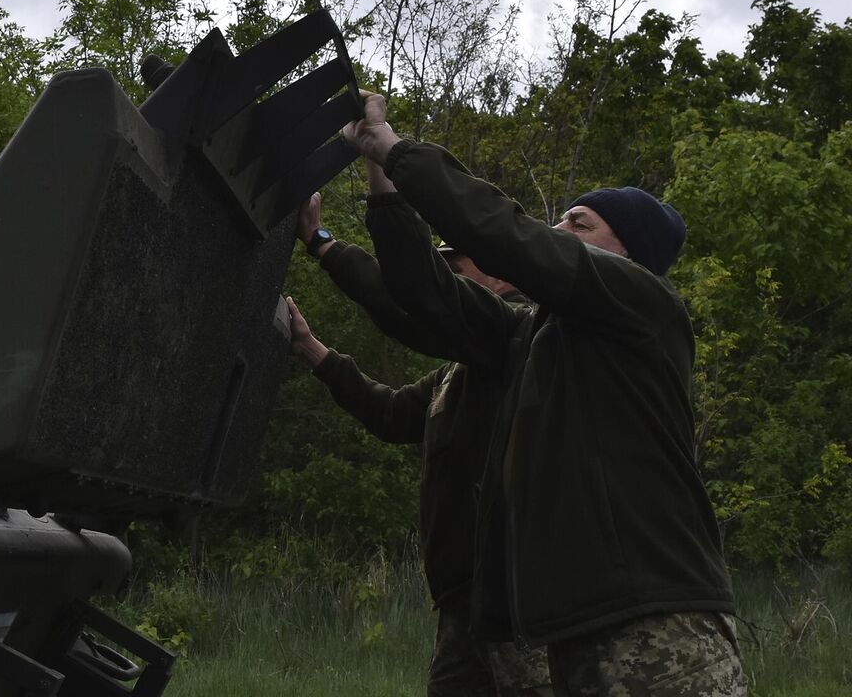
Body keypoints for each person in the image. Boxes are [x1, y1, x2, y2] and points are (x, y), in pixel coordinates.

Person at [344, 91, 744, 696]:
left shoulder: (645, 305)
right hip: (572, 629)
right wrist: (381, 182)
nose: (558, 229)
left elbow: (514, 238)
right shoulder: (532, 332)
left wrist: (400, 150)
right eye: (561, 221)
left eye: (578, 224)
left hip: (659, 619)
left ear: (630, 255)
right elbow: (428, 296)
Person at [290, 190, 550, 696]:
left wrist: (322, 242)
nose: (447, 280)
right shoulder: (460, 371)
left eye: (458, 267)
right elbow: (392, 415)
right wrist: (312, 350)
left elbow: (405, 297)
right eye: (444, 267)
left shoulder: (521, 344)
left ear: (502, 276)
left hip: (518, 597)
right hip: (461, 600)